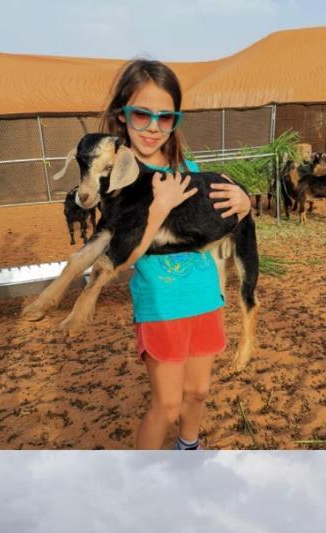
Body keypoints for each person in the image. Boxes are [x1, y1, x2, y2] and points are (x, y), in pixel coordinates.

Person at [98, 59, 251, 450]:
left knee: (198, 392)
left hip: (204, 298)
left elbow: (222, 220)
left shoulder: (190, 169)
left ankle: (188, 450)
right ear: (121, 115)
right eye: (141, 114)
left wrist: (244, 203)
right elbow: (123, 258)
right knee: (166, 404)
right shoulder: (118, 182)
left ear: (175, 121)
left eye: (165, 118)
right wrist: (160, 208)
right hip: (162, 307)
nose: (153, 127)